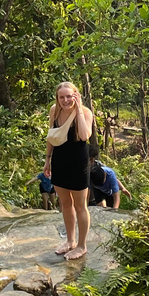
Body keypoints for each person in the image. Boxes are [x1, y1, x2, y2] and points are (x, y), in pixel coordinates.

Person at [44, 81, 94, 260]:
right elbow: (51, 135)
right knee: (65, 203)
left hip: (78, 163)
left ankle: (82, 245)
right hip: (59, 161)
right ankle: (70, 240)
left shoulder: (85, 112)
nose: (65, 100)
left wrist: (78, 109)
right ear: (57, 98)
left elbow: (84, 135)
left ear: (76, 95)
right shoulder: (54, 110)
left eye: (69, 96)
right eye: (62, 97)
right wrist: (47, 160)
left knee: (80, 205)